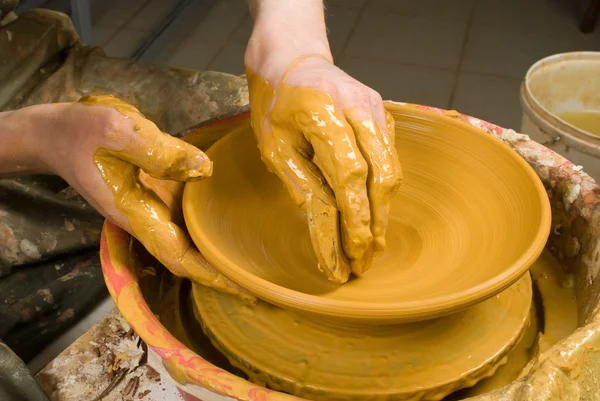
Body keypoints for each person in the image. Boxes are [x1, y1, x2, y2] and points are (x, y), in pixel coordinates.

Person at [0, 1, 401, 399]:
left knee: (274, 130)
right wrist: (44, 138)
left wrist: (293, 46)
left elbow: (289, 42)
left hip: (18, 62)